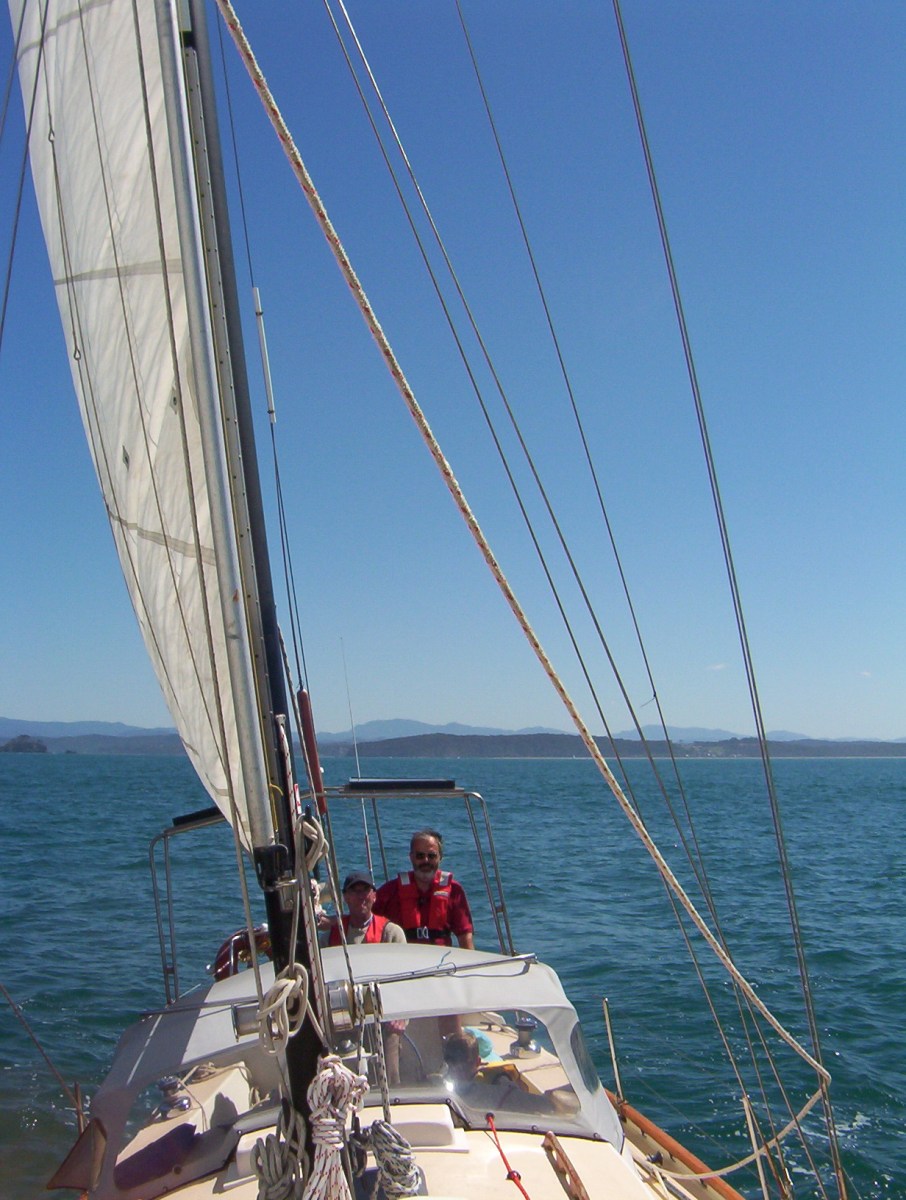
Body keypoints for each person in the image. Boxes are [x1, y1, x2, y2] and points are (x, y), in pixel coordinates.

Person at [373, 829, 474, 948]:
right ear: (411, 857)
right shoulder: (390, 891)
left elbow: (465, 937)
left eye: (431, 856)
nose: (426, 861)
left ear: (440, 857)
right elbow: (368, 923)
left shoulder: (454, 891)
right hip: (402, 959)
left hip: (441, 962)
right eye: (420, 855)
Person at [442, 1032, 552, 1115]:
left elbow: (525, 1102)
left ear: (478, 1062)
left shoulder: (498, 1082)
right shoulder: (440, 1084)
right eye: (453, 1062)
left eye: (465, 1063)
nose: (458, 1069)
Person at [327, 871, 406, 946]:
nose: (361, 896)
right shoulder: (330, 937)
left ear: (374, 896)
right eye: (354, 890)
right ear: (345, 897)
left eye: (366, 890)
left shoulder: (391, 933)